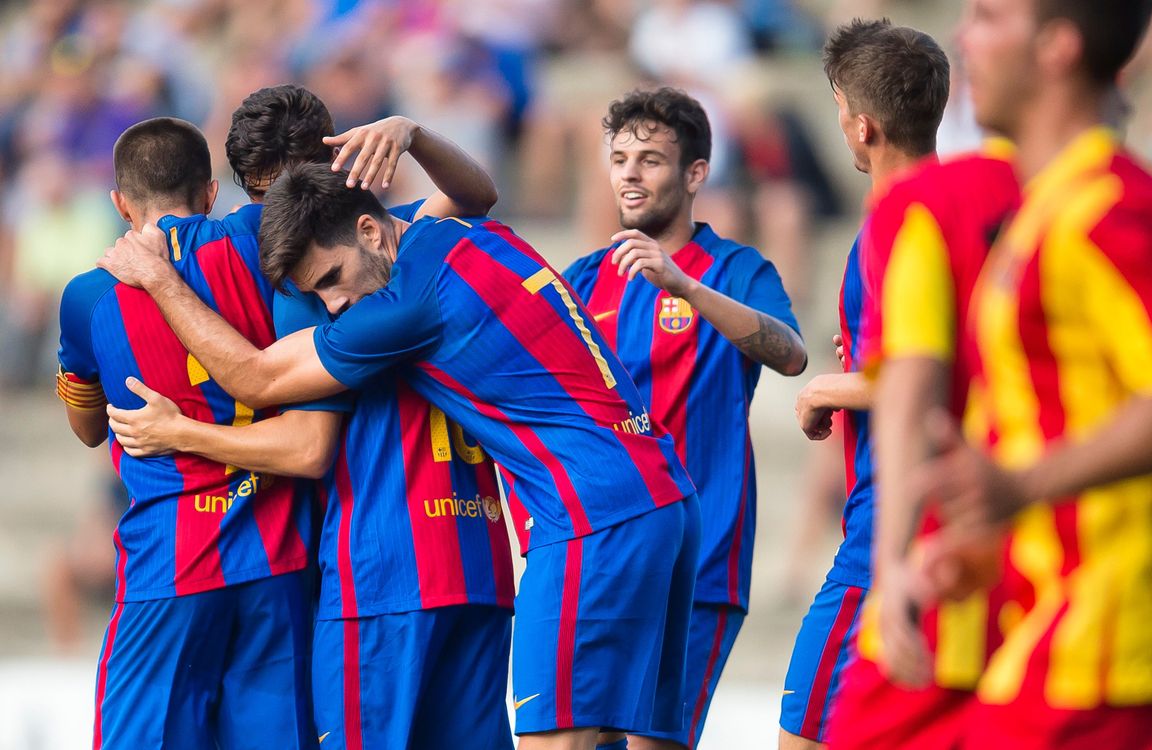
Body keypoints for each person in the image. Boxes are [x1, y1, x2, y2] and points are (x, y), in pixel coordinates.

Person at [97, 164, 701, 750]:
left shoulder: (407, 304)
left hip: (586, 516)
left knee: (554, 739)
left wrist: (159, 279)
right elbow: (476, 190)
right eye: (317, 294)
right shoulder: (470, 232)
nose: (334, 305)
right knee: (642, 740)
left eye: (331, 279)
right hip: (663, 495)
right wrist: (414, 137)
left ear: (367, 229)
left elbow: (255, 380)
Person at [104, 85, 515, 749]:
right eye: (265, 199)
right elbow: (477, 198)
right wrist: (413, 135)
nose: (282, 218)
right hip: (472, 551)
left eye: (293, 189)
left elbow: (295, 428)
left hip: (385, 568)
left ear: (339, 168)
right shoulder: (406, 242)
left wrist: (177, 426)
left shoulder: (326, 278)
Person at [907, 0, 1152, 747]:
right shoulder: (1044, 207)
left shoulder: (1115, 207)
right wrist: (985, 541)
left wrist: (1020, 489)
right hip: (1054, 634)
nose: (964, 37)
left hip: (1114, 655)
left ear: (1058, 46)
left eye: (989, 16)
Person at [57, 117, 322, 750]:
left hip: (169, 560)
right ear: (209, 192)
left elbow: (89, 428)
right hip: (280, 548)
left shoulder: (89, 296)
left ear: (119, 203)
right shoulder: (260, 243)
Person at [563, 86, 806, 750]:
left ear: (696, 173)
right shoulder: (582, 282)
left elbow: (790, 354)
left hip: (698, 559)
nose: (631, 174)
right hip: (603, 554)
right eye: (619, 159)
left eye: (650, 159)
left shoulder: (734, 269)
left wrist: (685, 288)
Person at [781, 19, 949, 750]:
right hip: (930, 517)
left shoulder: (898, 225)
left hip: (891, 524)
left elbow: (925, 377)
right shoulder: (961, 212)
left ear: (861, 124)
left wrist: (827, 389)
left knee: (804, 736)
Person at [822, 141, 1022, 749]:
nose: (968, 37)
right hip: (955, 558)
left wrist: (892, 563)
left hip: (929, 554)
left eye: (986, 33)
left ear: (857, 125)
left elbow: (912, 386)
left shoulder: (921, 208)